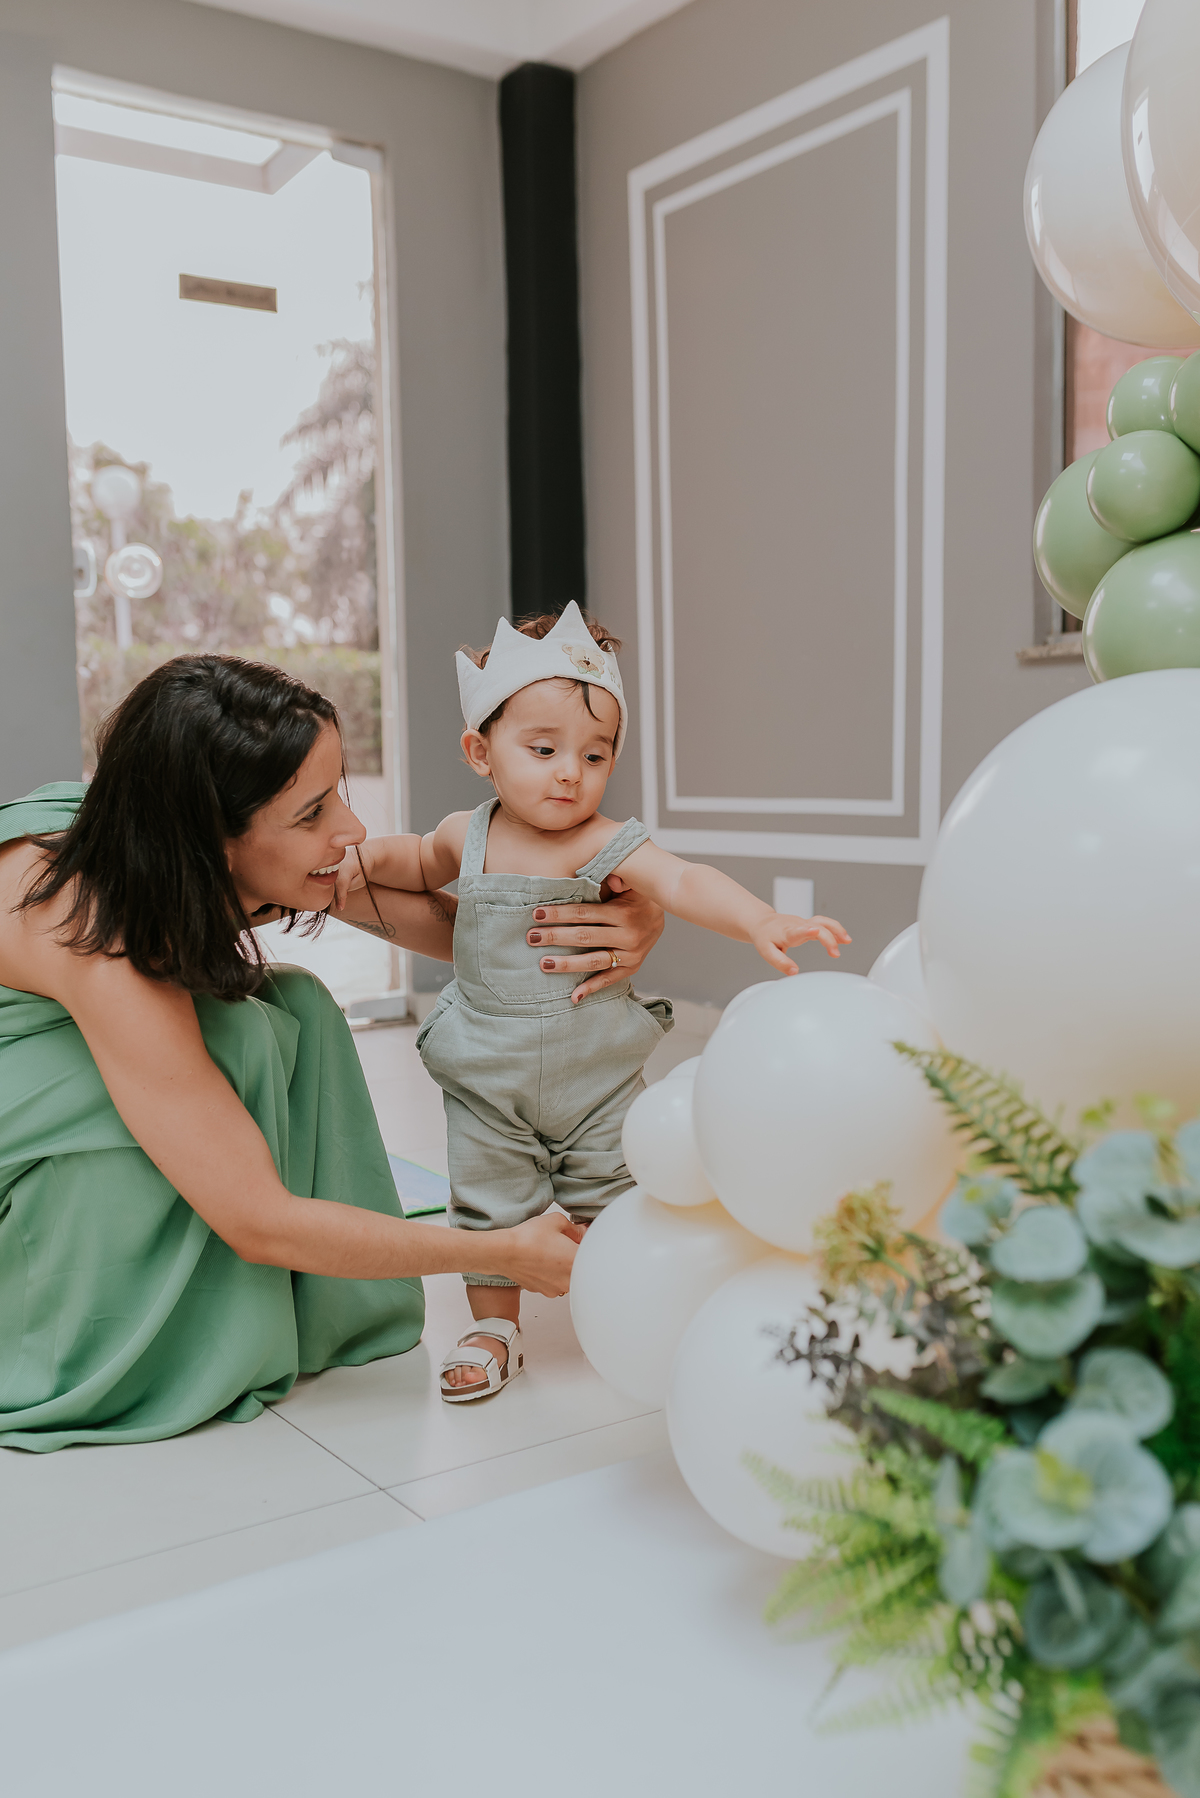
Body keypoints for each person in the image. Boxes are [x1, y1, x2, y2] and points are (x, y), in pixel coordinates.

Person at [0, 654, 665, 1450]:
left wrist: (614, 928)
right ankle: (80, 1311)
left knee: (292, 1006)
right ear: (214, 840)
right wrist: (498, 1252)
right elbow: (255, 1218)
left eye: (339, 792)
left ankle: (304, 1301)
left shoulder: (165, 831)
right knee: (242, 1038)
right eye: (313, 812)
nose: (350, 831)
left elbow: (478, 938)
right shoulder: (100, 939)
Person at [334, 604, 851, 1403]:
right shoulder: (461, 836)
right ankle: (496, 1326)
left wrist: (759, 918)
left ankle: (643, 1305)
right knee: (486, 1203)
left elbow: (680, 880)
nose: (570, 772)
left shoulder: (595, 840)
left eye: (595, 754)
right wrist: (331, 857)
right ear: (481, 751)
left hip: (593, 1073)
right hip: (487, 1071)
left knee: (621, 1197)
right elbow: (401, 862)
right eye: (543, 750)